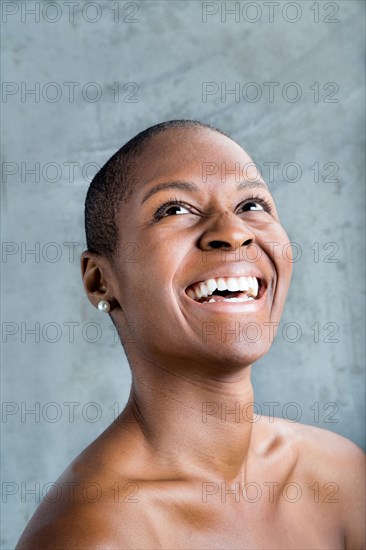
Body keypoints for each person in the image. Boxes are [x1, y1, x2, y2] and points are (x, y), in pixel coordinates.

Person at [16, 120, 365, 549]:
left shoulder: (341, 474)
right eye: (174, 210)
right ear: (100, 281)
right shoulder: (90, 533)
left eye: (252, 204)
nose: (233, 231)